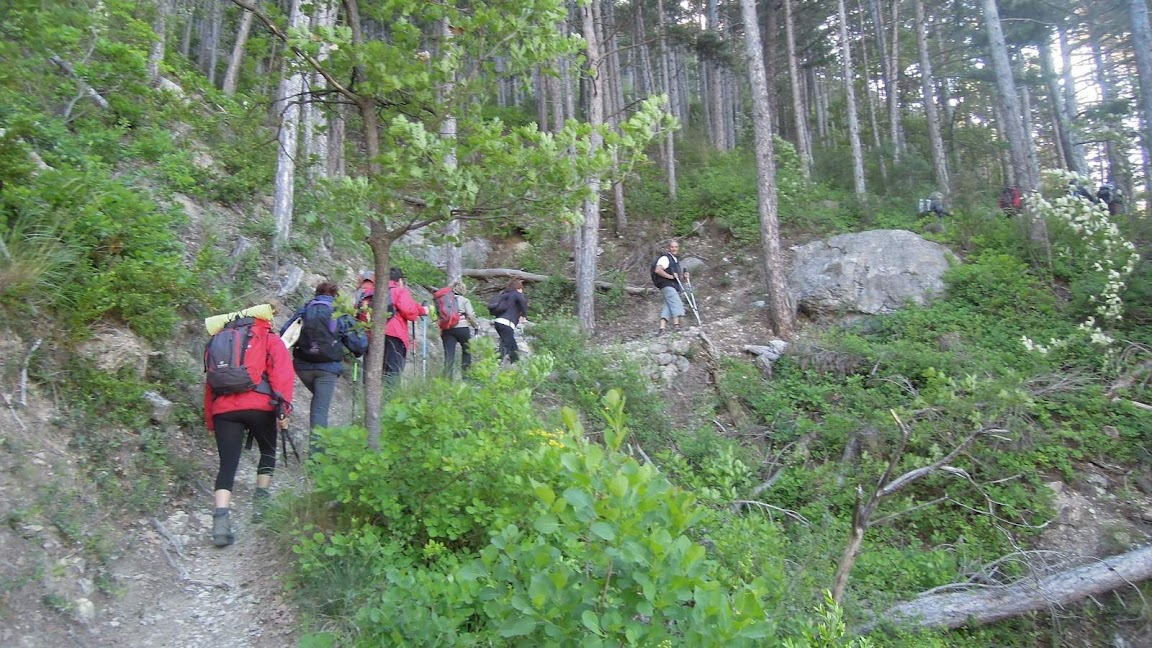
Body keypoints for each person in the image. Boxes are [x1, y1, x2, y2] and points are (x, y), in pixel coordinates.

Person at [204, 310, 294, 547]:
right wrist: (283, 410)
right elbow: (282, 376)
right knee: (267, 451)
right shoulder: (268, 338)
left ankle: (220, 522)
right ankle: (260, 505)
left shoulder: (217, 342)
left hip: (223, 410)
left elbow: (209, 385)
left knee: (227, 465)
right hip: (260, 406)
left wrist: (211, 421)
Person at [281, 281, 367, 453]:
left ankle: (320, 447)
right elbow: (358, 344)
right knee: (320, 408)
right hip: (327, 368)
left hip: (302, 366)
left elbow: (285, 333)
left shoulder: (305, 310)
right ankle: (317, 459)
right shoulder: (338, 313)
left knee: (319, 402)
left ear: (316, 293)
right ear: (335, 296)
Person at [383, 267, 427, 385]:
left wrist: (420, 309)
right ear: (400, 280)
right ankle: (391, 400)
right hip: (395, 334)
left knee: (382, 370)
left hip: (376, 334)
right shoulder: (399, 291)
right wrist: (421, 311)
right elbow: (410, 312)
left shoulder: (377, 291)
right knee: (393, 371)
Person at [440, 281, 480, 379]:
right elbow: (470, 315)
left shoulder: (444, 300)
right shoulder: (464, 300)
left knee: (449, 355)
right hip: (462, 328)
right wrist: (476, 326)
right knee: (467, 351)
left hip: (447, 329)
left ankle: (447, 380)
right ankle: (466, 377)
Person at [651, 240, 688, 335]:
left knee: (668, 306)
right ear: (669, 248)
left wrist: (683, 277)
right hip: (667, 285)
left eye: (676, 247)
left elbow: (677, 278)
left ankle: (662, 329)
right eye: (672, 247)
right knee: (676, 302)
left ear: (678, 248)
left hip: (671, 285)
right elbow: (658, 270)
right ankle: (677, 326)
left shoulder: (674, 260)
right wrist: (670, 277)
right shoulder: (665, 258)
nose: (674, 249)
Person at [490, 279, 528, 364]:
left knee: (508, 344)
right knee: (508, 346)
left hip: (498, 322)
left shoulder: (504, 295)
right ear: (519, 288)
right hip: (507, 323)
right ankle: (493, 364)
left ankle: (514, 363)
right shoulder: (517, 294)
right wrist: (523, 315)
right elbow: (523, 302)